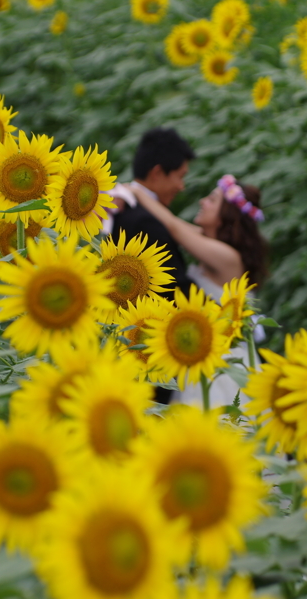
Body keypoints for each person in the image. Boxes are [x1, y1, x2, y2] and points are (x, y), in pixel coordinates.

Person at [126, 174, 270, 409]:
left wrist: (138, 192)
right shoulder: (208, 243)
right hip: (201, 354)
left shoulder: (228, 257)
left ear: (225, 217)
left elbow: (172, 227)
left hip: (220, 362)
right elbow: (175, 224)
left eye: (212, 200)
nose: (203, 201)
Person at [107, 127, 196, 297]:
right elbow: (173, 289)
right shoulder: (146, 223)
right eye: (180, 176)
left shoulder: (126, 208)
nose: (181, 186)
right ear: (157, 173)